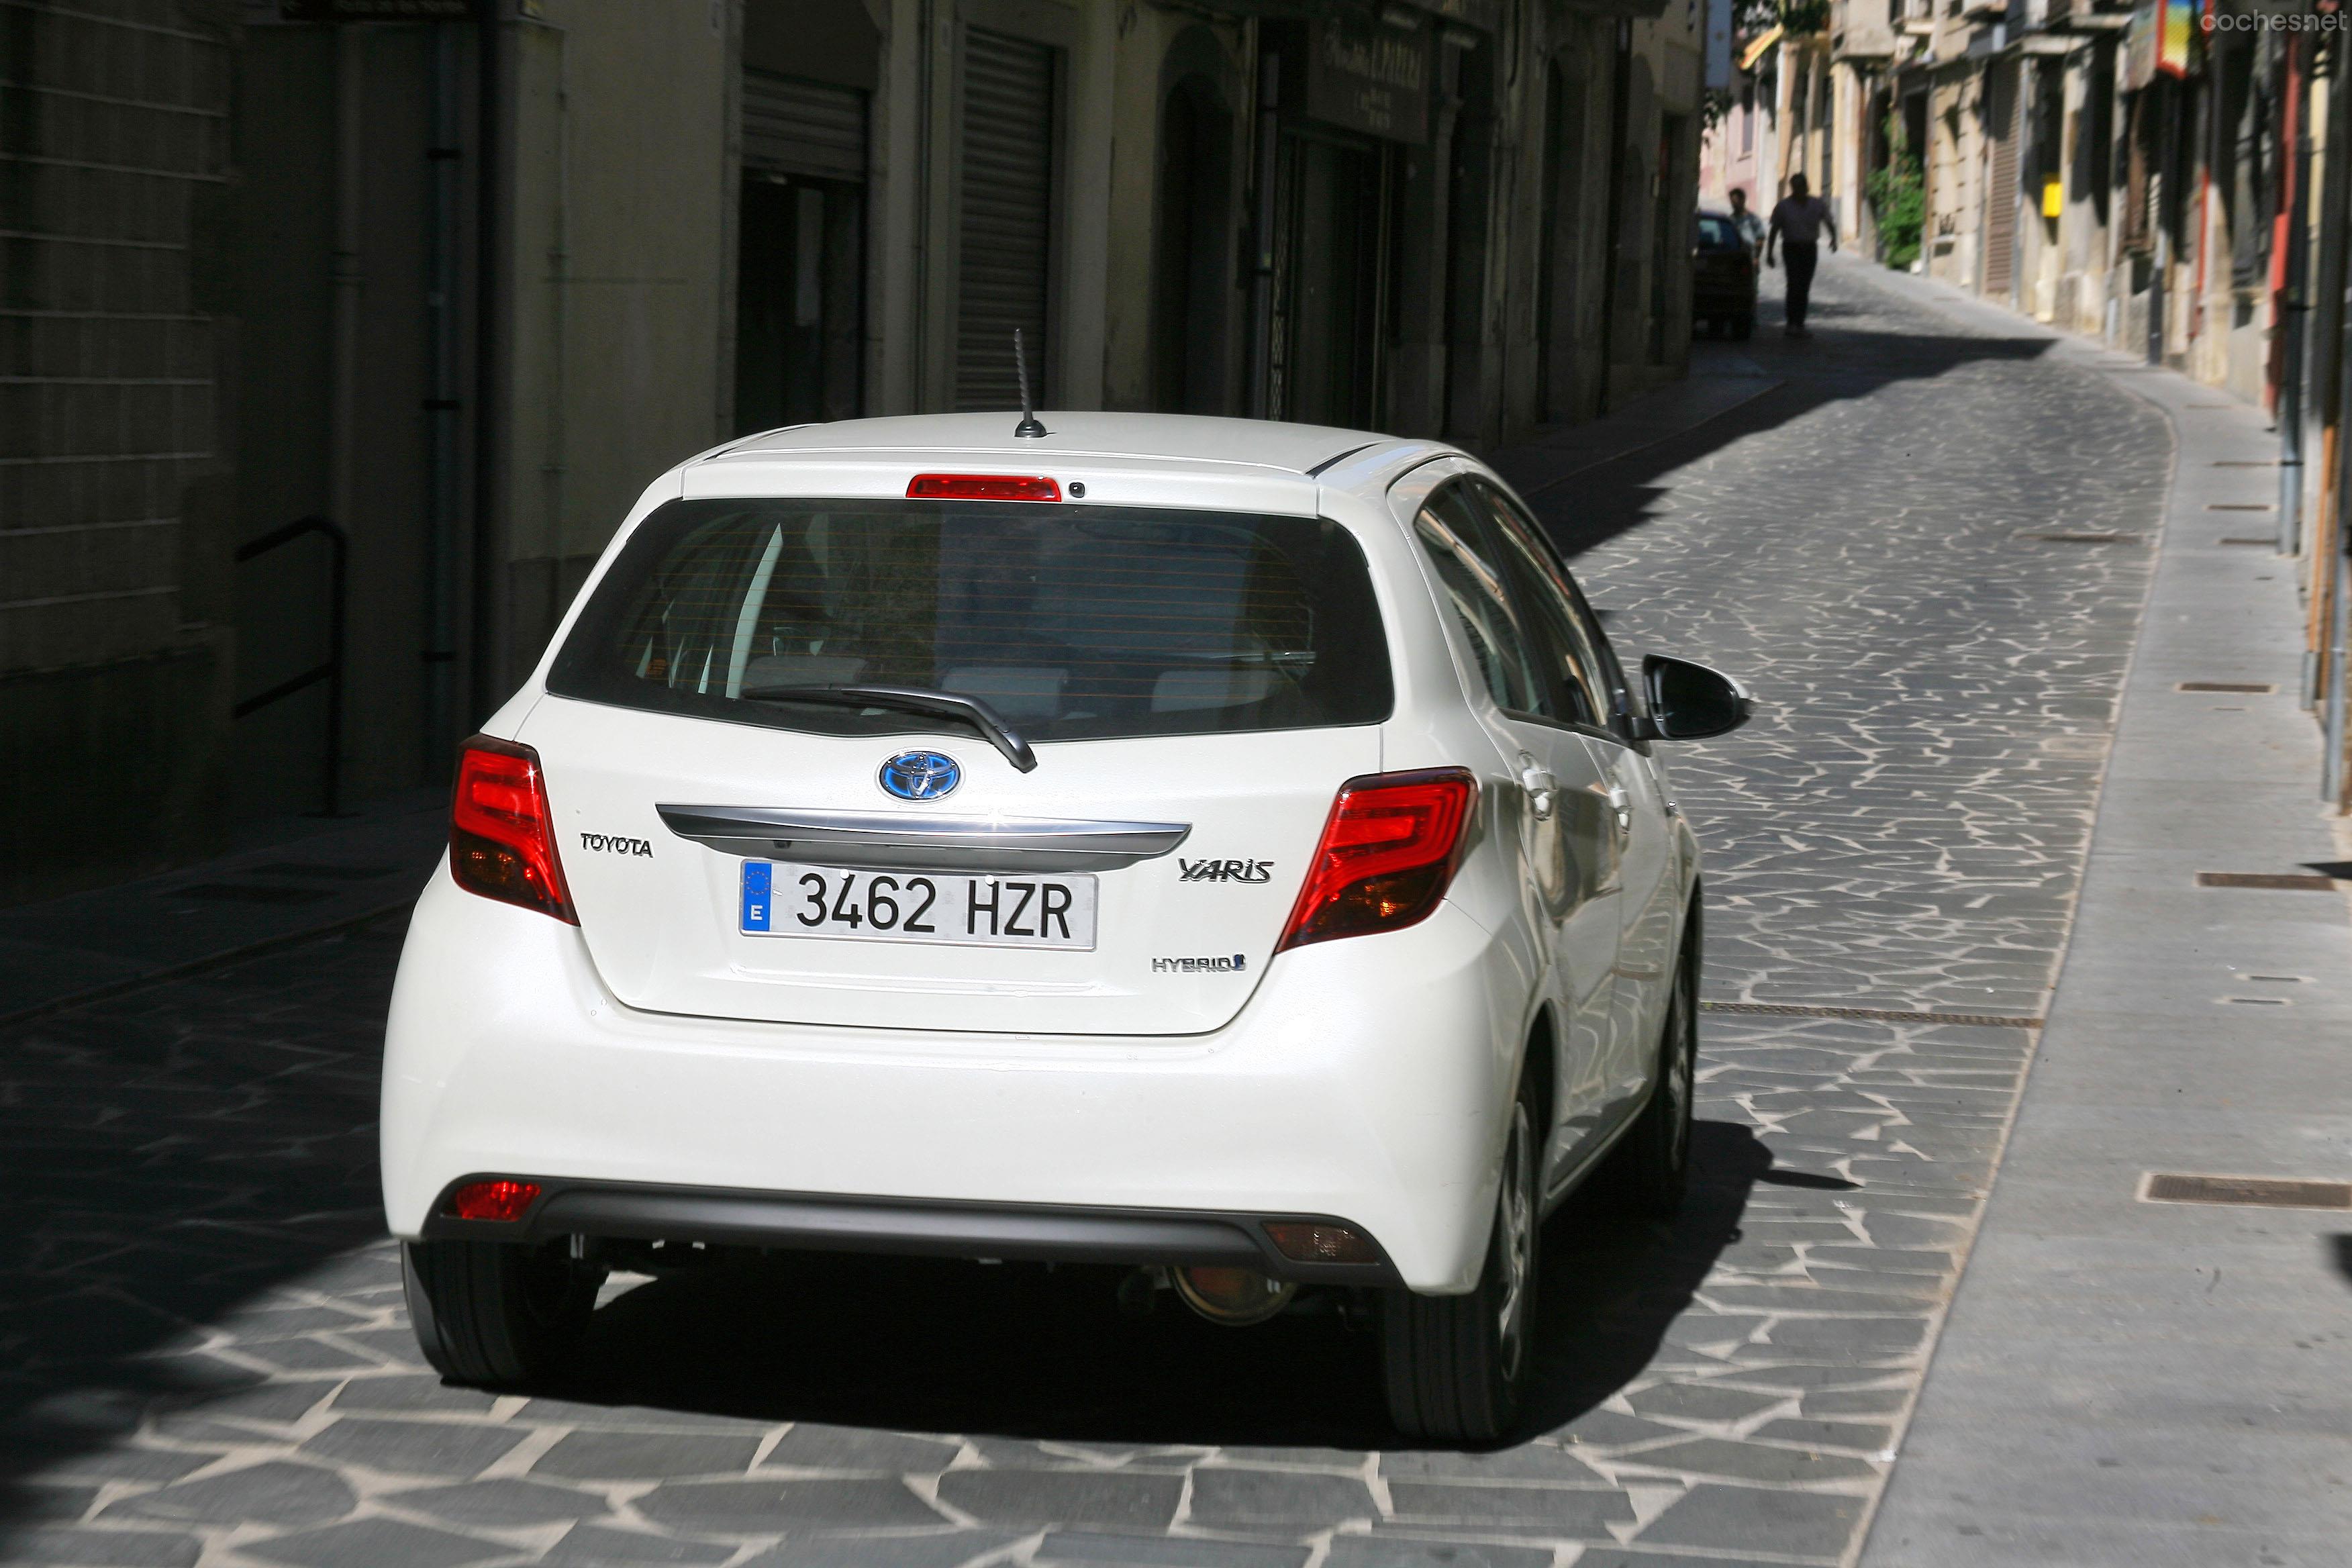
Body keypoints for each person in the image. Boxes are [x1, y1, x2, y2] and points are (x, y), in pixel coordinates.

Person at [1766, 172, 1837, 337]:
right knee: (1793, 285)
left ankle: (1800, 324)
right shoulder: (1783, 207)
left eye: (1801, 187)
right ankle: (1791, 323)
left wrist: (1834, 240)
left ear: (1807, 187)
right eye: (1795, 187)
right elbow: (1774, 230)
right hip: (1791, 248)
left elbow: (1828, 221)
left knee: (1804, 286)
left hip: (1809, 248)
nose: (1798, 190)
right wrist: (1769, 253)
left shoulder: (1817, 204)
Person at [1728, 187, 1766, 254]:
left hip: (1749, 256)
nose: (1733, 204)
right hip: (1733, 255)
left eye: (1735, 201)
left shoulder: (1753, 219)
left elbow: (1760, 238)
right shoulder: (1730, 220)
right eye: (1732, 202)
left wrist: (1756, 257)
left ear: (1743, 200)